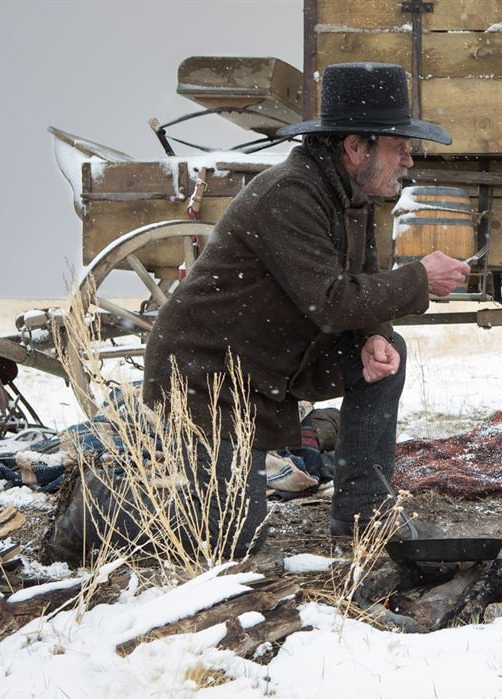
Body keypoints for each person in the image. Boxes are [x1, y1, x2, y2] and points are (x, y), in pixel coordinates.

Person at [47, 62, 470, 564]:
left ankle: (364, 512)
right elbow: (329, 300)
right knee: (230, 540)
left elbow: (364, 281)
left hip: (275, 361)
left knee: (387, 353)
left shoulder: (353, 197)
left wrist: (375, 332)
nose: (408, 160)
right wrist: (420, 278)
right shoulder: (291, 194)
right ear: (356, 148)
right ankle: (96, 509)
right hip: (210, 374)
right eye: (399, 147)